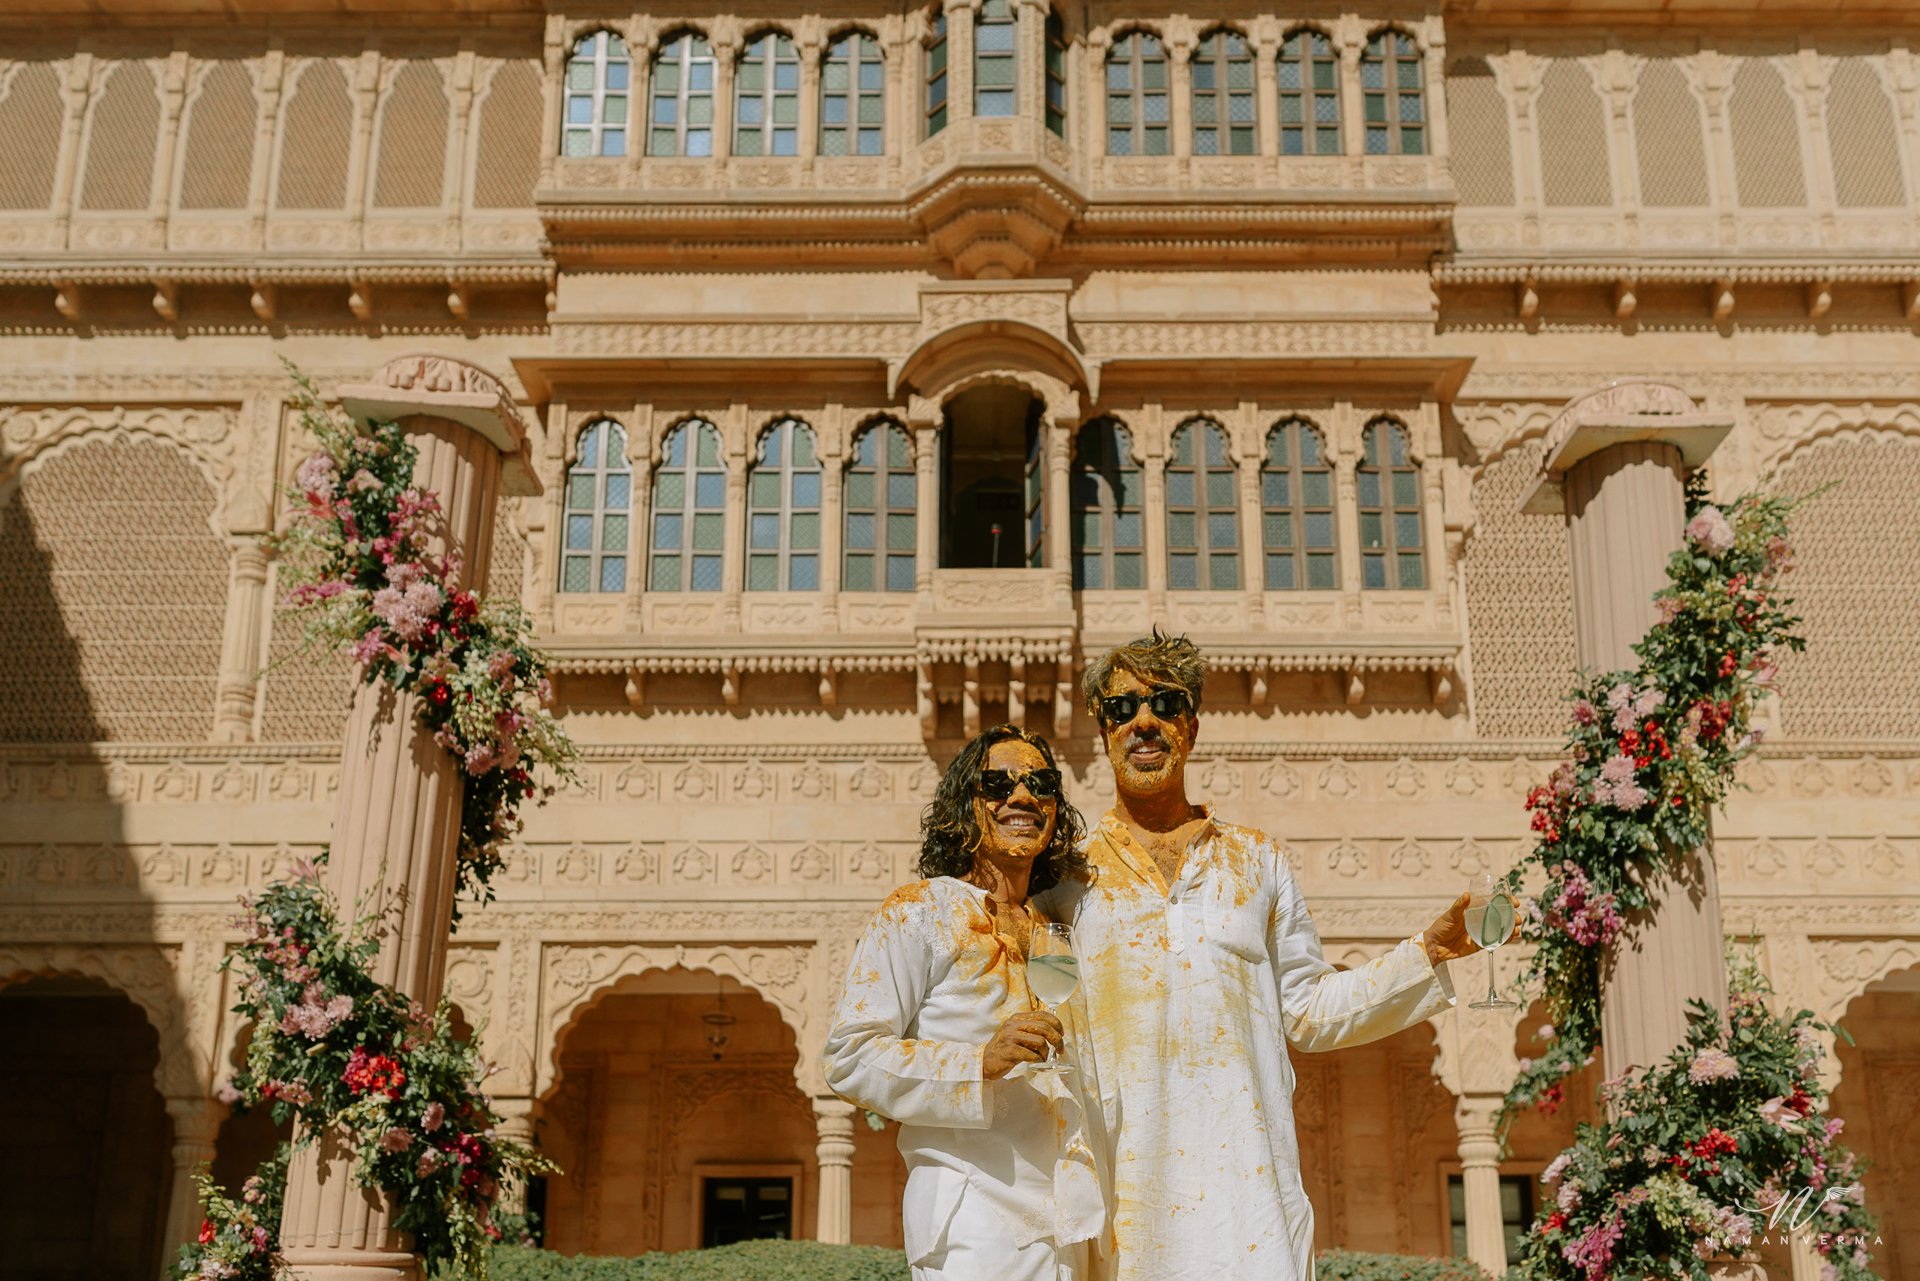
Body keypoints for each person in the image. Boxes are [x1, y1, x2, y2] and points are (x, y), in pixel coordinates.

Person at [1041, 629, 1501, 1281]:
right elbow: (1043, 1018)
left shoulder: (1256, 863)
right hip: (1128, 1206)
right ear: (1102, 729)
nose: (1142, 722)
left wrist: (1427, 951)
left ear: (1191, 728)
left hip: (1247, 1203)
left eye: (1164, 705)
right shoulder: (1064, 882)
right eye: (1122, 708)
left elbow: (1310, 1009)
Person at [823, 725, 1108, 1281]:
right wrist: (978, 1062)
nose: (1021, 797)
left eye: (1041, 783)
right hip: (973, 1219)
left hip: (1067, 1223)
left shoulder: (1057, 926)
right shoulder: (920, 912)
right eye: (998, 783)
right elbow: (849, 1057)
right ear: (964, 805)